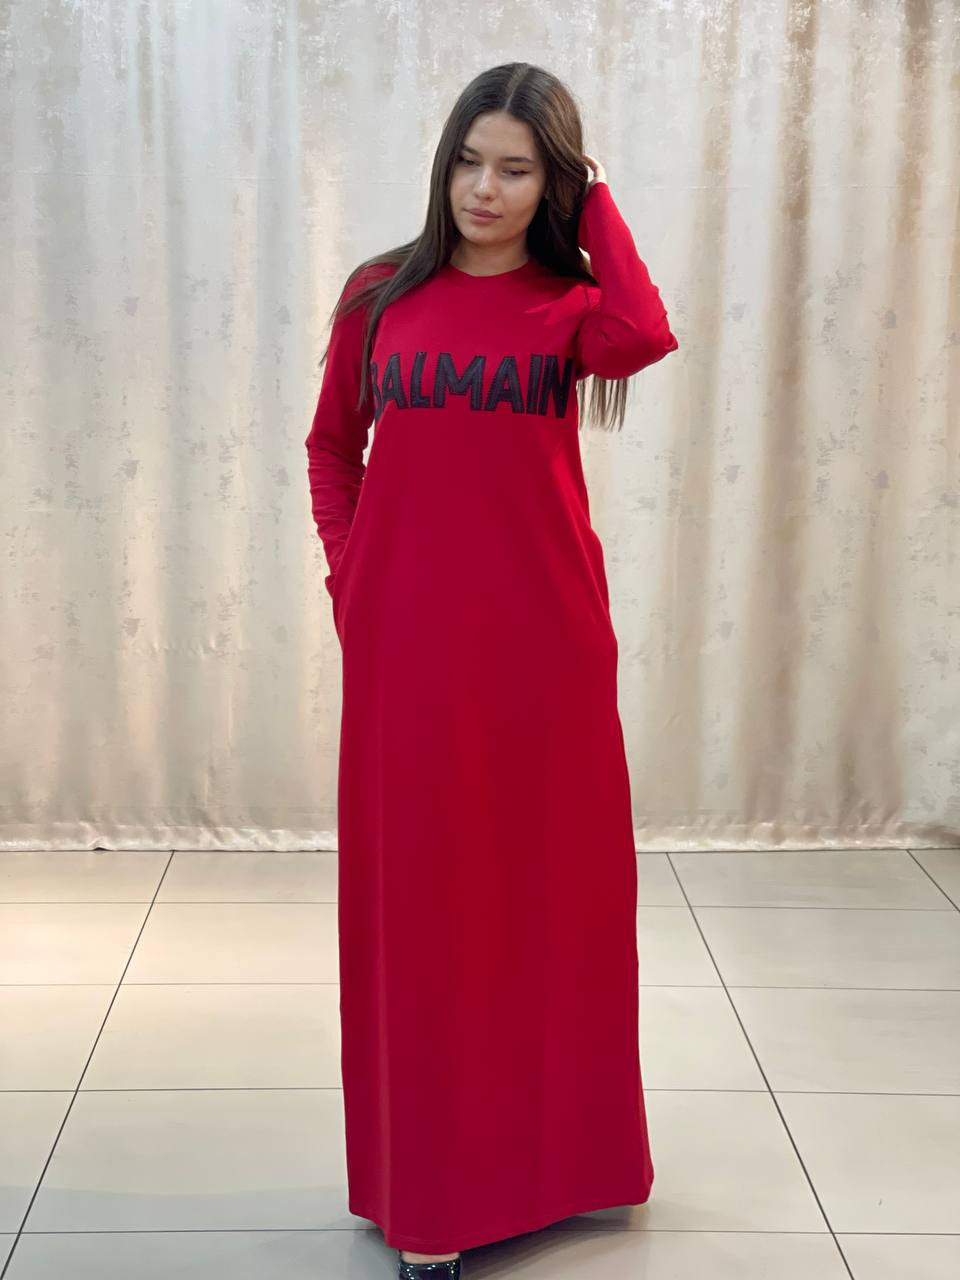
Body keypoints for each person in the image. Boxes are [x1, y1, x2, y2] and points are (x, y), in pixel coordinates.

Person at [305, 61, 679, 1280]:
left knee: (553, 900)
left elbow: (647, 333)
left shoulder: (572, 308)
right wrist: (352, 578)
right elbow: (332, 448)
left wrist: (597, 192)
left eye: (518, 168)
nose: (484, 188)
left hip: (547, 648)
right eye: (470, 159)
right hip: (407, 648)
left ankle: (563, 1164)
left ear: (551, 182)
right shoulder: (379, 296)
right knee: (425, 908)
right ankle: (433, 1189)